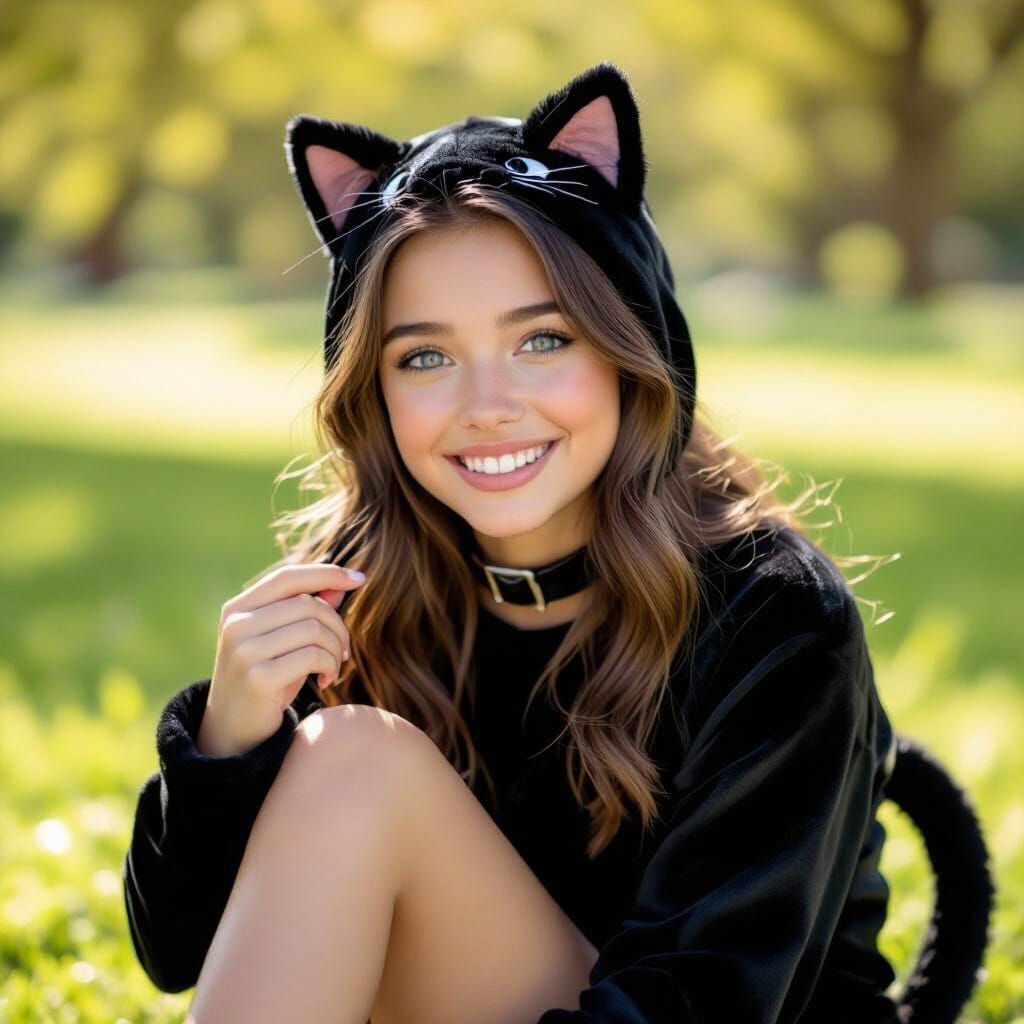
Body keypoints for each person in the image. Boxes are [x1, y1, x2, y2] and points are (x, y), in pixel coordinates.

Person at [122, 63, 990, 1023]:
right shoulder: (352, 593)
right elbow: (186, 956)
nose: (488, 408)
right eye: (425, 357)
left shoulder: (774, 612)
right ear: (371, 389)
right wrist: (227, 744)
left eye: (544, 340)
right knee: (349, 756)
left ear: (631, 348)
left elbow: (703, 998)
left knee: (355, 762)